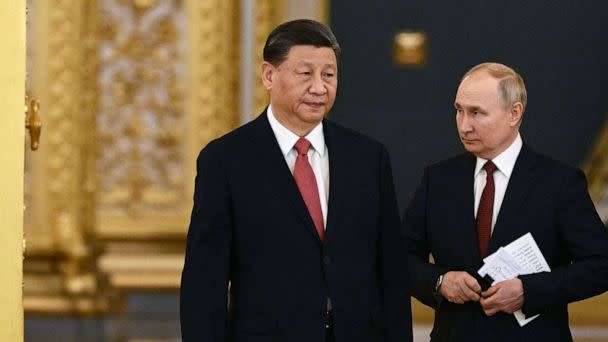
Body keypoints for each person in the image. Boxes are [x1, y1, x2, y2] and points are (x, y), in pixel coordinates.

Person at [181, 19, 412, 342]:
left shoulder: (368, 157)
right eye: (306, 74)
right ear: (269, 75)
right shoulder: (225, 160)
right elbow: (204, 281)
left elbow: (391, 271)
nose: (319, 87)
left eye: (329, 75)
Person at [403, 62, 608, 341]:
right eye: (459, 111)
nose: (464, 125)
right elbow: (397, 257)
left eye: (477, 113)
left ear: (514, 113)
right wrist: (439, 282)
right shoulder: (438, 180)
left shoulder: (559, 183)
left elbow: (600, 265)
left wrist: (528, 291)